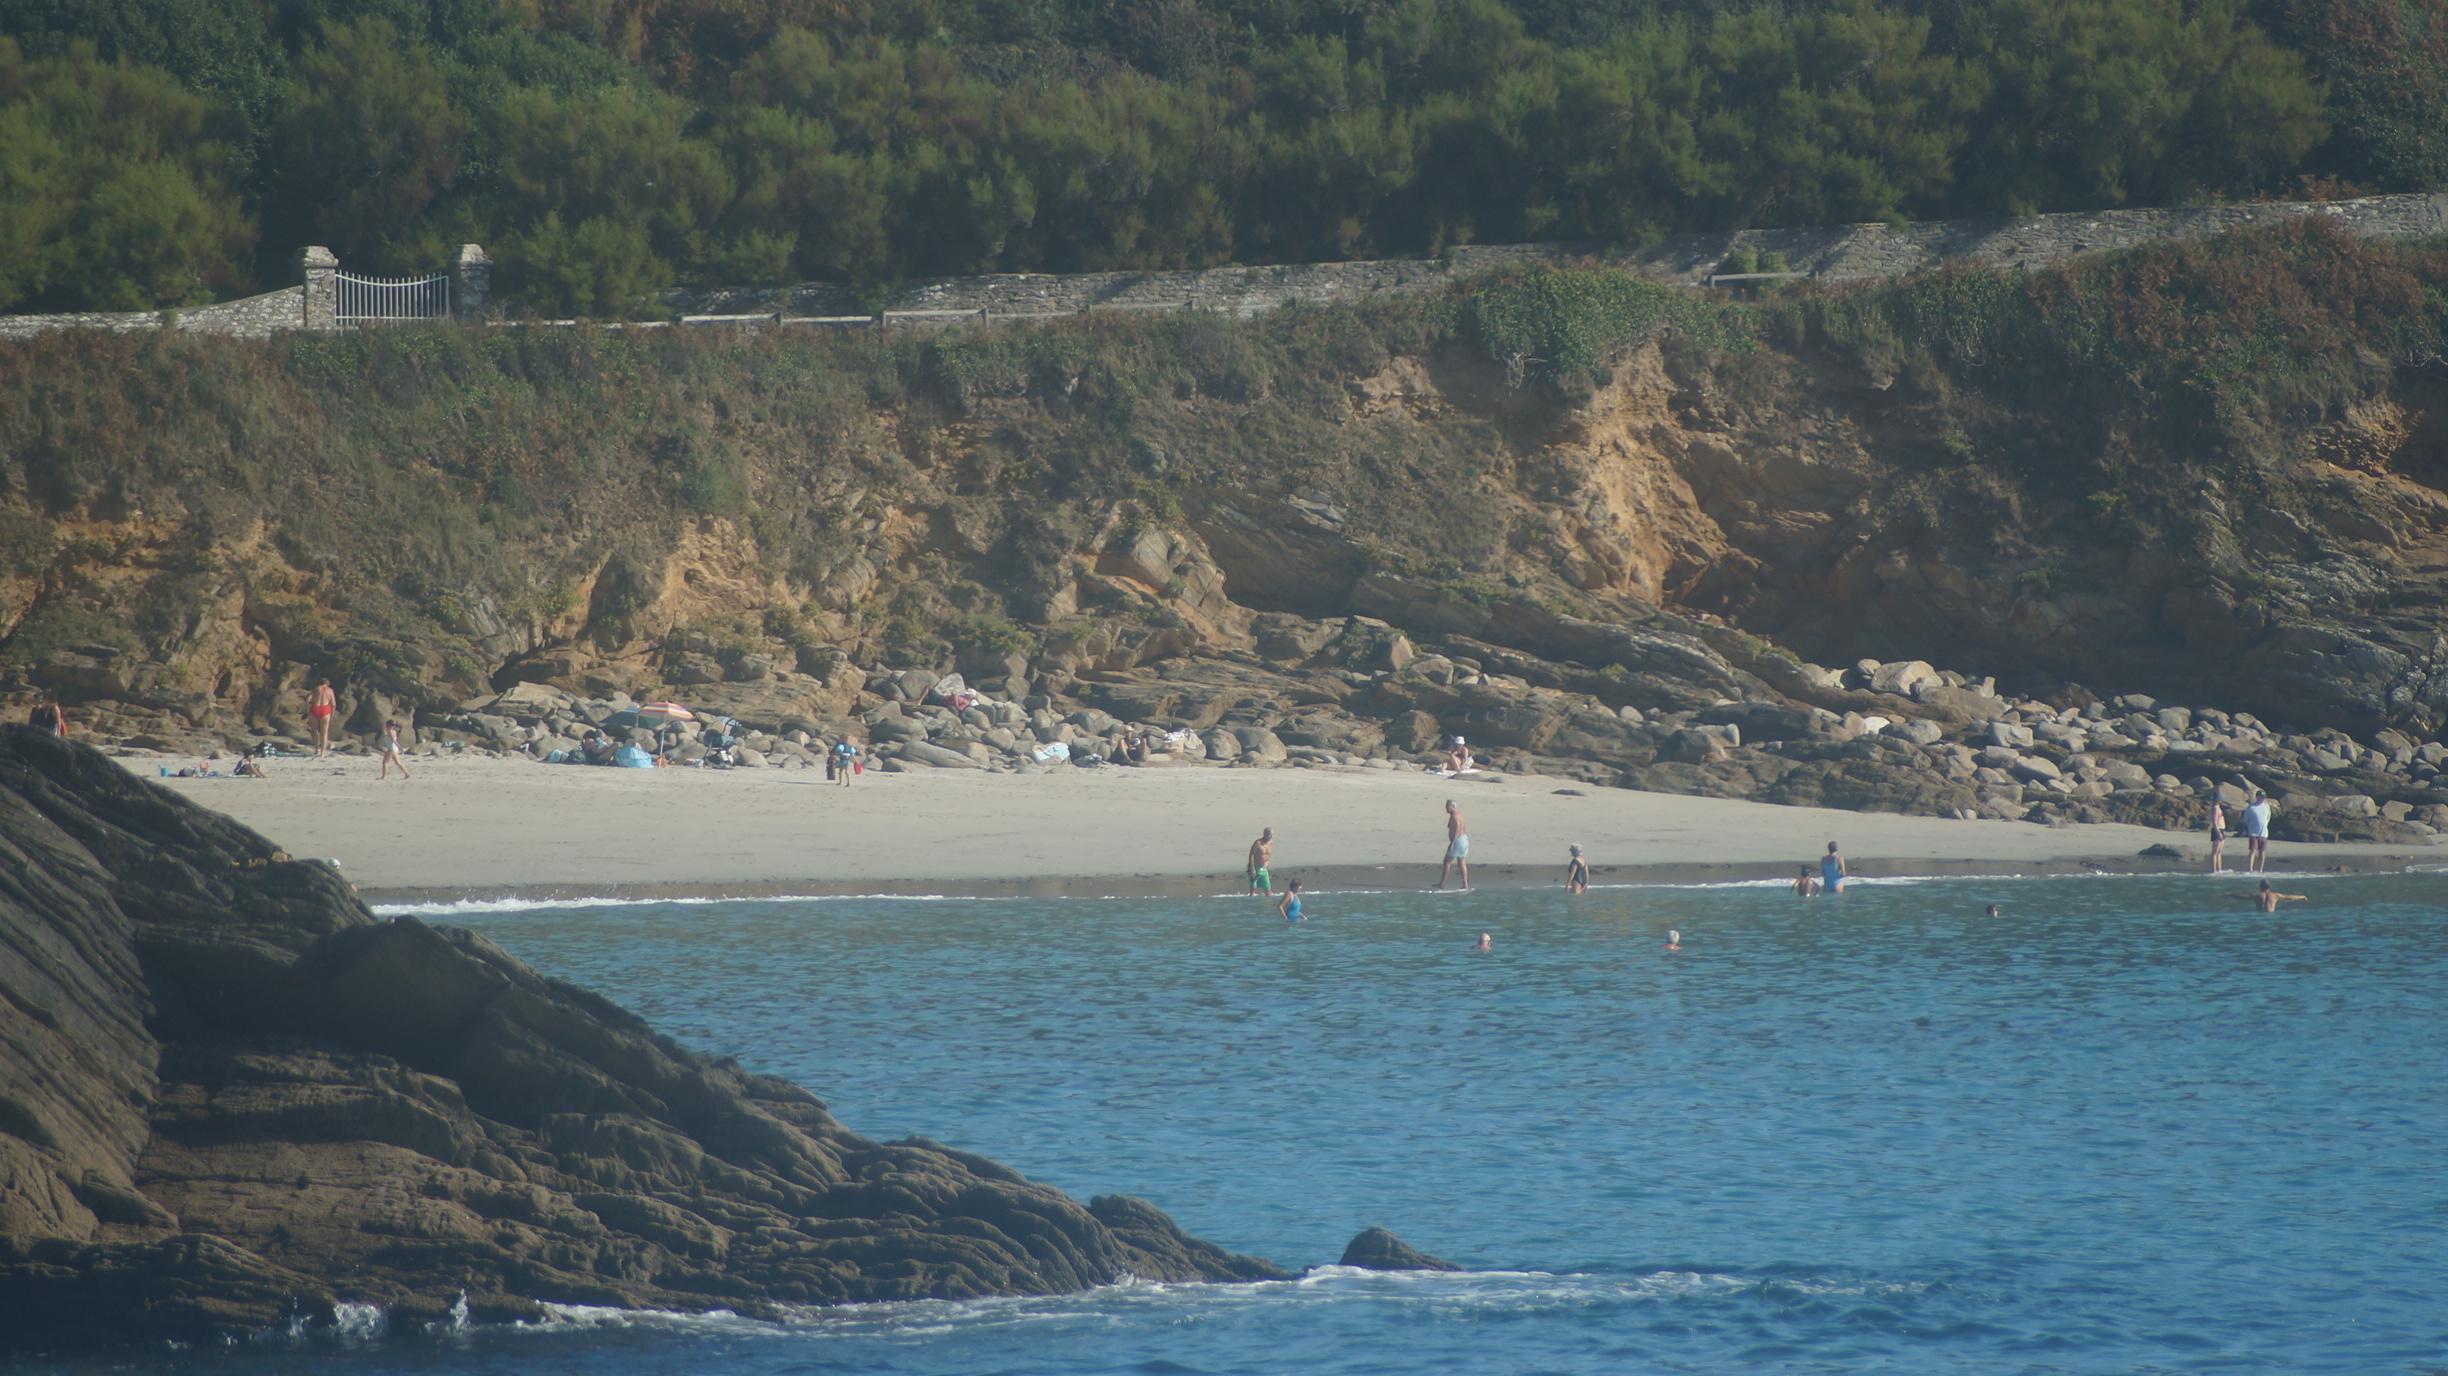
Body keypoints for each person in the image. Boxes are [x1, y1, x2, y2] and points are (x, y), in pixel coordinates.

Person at [1434, 799, 1470, 890]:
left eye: (1447, 806)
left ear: (1452, 806)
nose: (1446, 808)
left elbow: (1457, 829)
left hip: (1458, 840)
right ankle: (1465, 884)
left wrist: (1452, 843)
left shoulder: (1455, 816)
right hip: (1464, 839)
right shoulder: (1459, 815)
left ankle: (1442, 883)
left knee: (1447, 861)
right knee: (1461, 862)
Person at [2241, 791, 2274, 872]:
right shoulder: (2251, 807)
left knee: (2262, 851)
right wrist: (2251, 826)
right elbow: (2245, 819)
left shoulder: (2267, 807)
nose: (2262, 799)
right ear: (2257, 797)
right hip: (2253, 833)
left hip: (2264, 833)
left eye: (2263, 797)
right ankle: (2250, 869)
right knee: (2253, 850)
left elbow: (2268, 818)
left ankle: (2260, 869)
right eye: (2261, 797)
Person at [2233, 879, 2306, 912]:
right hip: (2271, 916)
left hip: (2260, 916)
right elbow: (2289, 897)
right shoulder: (2276, 895)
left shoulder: (2256, 895)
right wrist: (2302, 897)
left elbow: (2242, 897)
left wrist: (2231, 895)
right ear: (2269, 887)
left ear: (2260, 887)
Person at [307, 680, 337, 758]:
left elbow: (308, 699)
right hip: (325, 710)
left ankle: (316, 749)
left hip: (315, 708)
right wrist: (332, 715)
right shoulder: (330, 690)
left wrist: (307, 710)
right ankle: (322, 753)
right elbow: (333, 704)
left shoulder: (316, 688)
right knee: (324, 732)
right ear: (328, 684)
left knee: (314, 731)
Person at [1247, 828, 1275, 896]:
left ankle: (1267, 905)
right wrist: (1252, 869)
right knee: (1253, 889)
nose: (1270, 836)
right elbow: (1251, 855)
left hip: (1264, 869)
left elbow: (1268, 855)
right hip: (1255, 868)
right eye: (1269, 834)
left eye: (1272, 835)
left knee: (1268, 889)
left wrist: (1267, 863)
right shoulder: (1258, 843)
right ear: (1264, 834)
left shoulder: (1271, 843)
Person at [2206, 800, 2228, 873]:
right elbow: (2214, 822)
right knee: (2215, 852)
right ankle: (2214, 870)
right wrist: (2218, 832)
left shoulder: (2219, 807)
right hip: (2217, 830)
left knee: (2219, 852)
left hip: (2221, 829)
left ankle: (2219, 869)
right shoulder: (2215, 808)